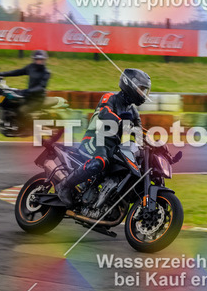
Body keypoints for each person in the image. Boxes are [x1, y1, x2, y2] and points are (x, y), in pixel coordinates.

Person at [56, 68, 151, 207]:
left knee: (126, 168)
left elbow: (138, 132)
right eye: (141, 89)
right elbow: (104, 113)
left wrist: (155, 143)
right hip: (95, 140)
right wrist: (119, 121)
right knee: (100, 162)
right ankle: (64, 186)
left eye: (145, 90)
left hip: (113, 146)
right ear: (130, 84)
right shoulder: (110, 97)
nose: (143, 94)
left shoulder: (133, 111)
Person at [0, 50, 51, 129]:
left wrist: (28, 91)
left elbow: (41, 87)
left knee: (21, 111)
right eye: (37, 59)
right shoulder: (31, 67)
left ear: (44, 60)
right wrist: (1, 74)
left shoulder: (46, 72)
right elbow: (18, 72)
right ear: (34, 59)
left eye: (41, 60)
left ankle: (30, 128)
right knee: (12, 104)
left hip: (37, 99)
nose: (39, 61)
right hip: (28, 96)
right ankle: (11, 124)